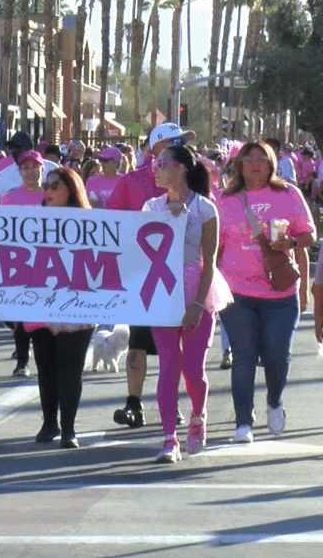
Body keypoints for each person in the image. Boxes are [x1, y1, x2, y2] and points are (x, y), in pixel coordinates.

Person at [217, 141, 316, 443]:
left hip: (279, 293)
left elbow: (310, 234)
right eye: (249, 160)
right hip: (237, 292)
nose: (255, 164)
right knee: (243, 357)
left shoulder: (288, 194)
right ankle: (243, 422)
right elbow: (215, 246)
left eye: (262, 159)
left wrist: (291, 243)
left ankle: (274, 401)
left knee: (276, 356)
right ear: (239, 165)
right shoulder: (225, 199)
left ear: (272, 164)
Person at [145, 145, 233, 463]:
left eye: (162, 164)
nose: (156, 169)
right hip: (162, 292)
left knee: (193, 368)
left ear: (180, 168)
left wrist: (197, 303)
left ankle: (197, 416)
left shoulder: (205, 208)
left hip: (197, 290)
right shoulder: (151, 207)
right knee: (168, 366)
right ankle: (169, 438)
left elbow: (209, 260)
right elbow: (141, 249)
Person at [104, 122, 195, 428]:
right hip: (142, 275)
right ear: (156, 147)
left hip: (181, 274)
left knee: (175, 343)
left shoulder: (194, 178)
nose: (180, 146)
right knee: (139, 341)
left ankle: (172, 401)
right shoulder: (132, 181)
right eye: (174, 141)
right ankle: (133, 403)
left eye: (182, 142)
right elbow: (110, 221)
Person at [20, 168, 97, 450]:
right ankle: (49, 422)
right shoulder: (31, 222)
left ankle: (69, 428)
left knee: (70, 368)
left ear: (71, 190)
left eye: (55, 186)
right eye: (46, 186)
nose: (49, 191)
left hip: (78, 306)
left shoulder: (92, 223)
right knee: (45, 366)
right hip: (41, 303)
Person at [0, 149, 46, 379]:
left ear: (42, 169)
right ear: (19, 171)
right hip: (18, 263)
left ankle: (43, 362)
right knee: (19, 316)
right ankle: (22, 362)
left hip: (47, 263)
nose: (30, 172)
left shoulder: (51, 196)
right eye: (25, 168)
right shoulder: (8, 198)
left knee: (41, 317)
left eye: (34, 167)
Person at [0, 131, 58, 201]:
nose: (14, 151)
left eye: (18, 147)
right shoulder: (2, 177)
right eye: (11, 148)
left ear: (31, 147)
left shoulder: (52, 169)